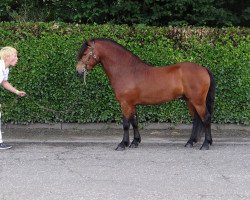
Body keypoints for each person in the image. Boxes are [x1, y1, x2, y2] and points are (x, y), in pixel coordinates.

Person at [0, 46, 26, 150]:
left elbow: (4, 82)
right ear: (7, 57)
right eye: (14, 55)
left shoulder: (5, 69)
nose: (17, 58)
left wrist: (17, 91)